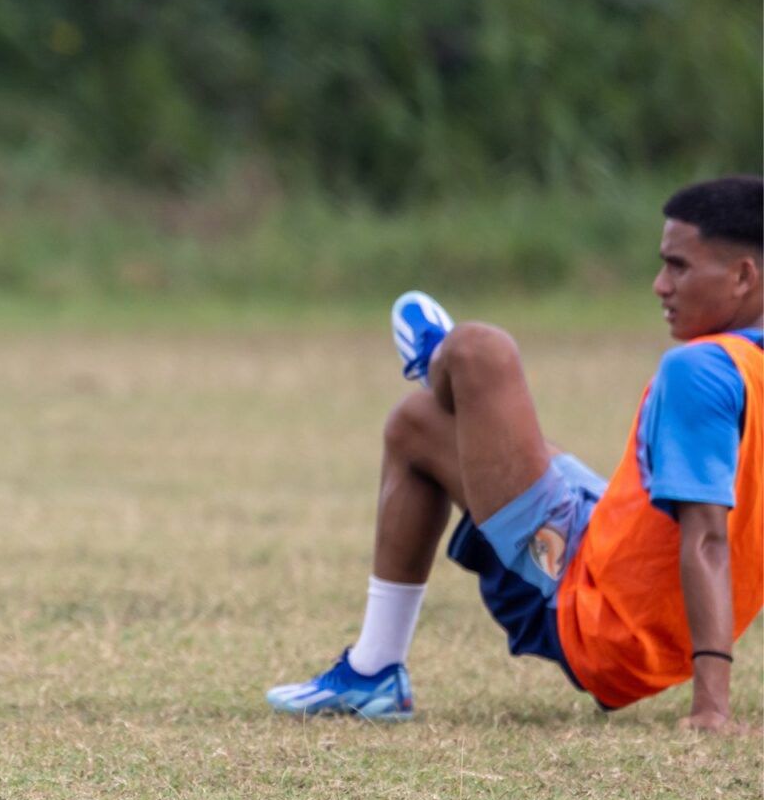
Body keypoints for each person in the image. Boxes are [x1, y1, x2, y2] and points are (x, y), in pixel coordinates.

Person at [268, 176, 763, 732]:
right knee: (420, 426)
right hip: (613, 543)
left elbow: (707, 536)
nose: (658, 285)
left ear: (744, 275)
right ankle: (452, 389)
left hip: (595, 611)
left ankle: (443, 368)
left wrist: (712, 706)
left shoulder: (701, 370)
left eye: (678, 266)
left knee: (480, 351)